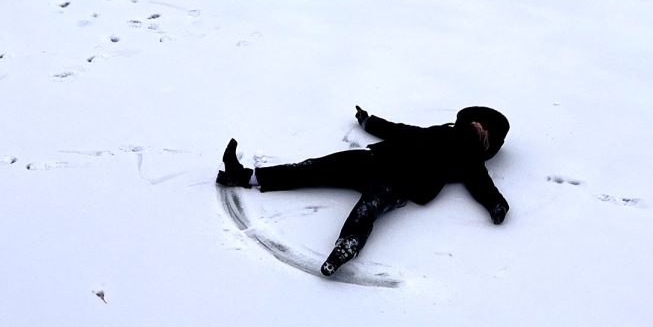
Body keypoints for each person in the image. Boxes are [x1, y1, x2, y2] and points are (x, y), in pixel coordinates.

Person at [217, 106, 510, 277]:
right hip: (373, 160)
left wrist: (496, 204)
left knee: (368, 208)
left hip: (400, 183)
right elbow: (401, 131)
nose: (473, 127)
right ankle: (244, 176)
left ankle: (346, 247)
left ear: (485, 141)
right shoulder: (439, 132)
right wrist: (370, 122)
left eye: (479, 129)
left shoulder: (469, 160)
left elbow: (481, 183)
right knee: (314, 167)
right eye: (473, 122)